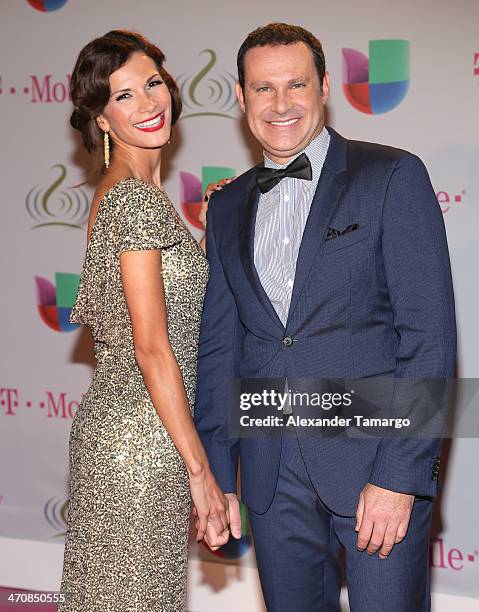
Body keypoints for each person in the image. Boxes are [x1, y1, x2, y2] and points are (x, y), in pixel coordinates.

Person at [194, 22, 456, 611]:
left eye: (296, 85)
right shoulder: (227, 205)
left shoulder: (390, 176)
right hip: (269, 472)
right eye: (263, 88)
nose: (281, 104)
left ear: (326, 87)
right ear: (241, 97)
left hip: (375, 466)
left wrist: (399, 476)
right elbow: (219, 350)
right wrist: (216, 473)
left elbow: (429, 339)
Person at [60, 30, 230, 611]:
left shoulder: (135, 197)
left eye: (151, 84)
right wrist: (200, 469)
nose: (147, 103)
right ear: (102, 121)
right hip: (143, 443)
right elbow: (153, 349)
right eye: (123, 96)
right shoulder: (133, 201)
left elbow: (178, 314)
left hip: (136, 433)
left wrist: (210, 234)